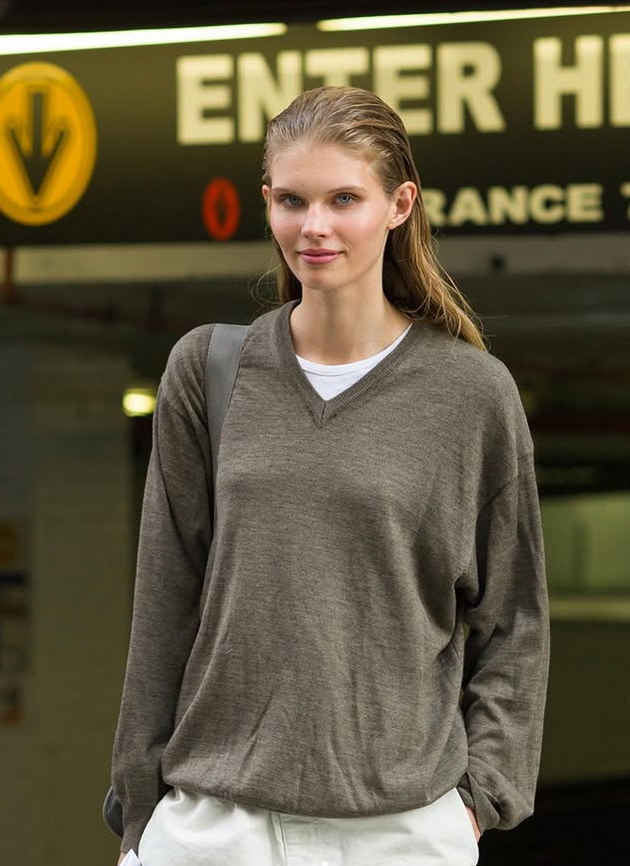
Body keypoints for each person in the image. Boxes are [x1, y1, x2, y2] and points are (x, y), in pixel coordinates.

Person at [111, 85, 550, 866]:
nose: (313, 226)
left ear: (399, 205)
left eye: (344, 199)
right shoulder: (207, 370)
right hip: (216, 825)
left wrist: (482, 799)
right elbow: (163, 603)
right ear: (268, 203)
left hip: (398, 832)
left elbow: (514, 621)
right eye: (292, 200)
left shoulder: (472, 394)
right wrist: (142, 817)